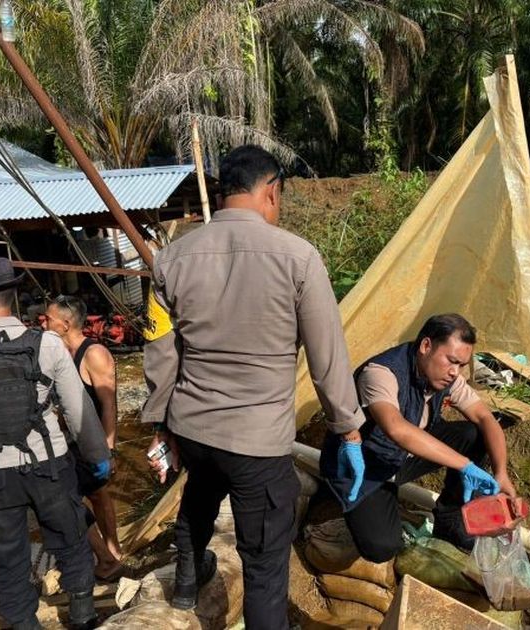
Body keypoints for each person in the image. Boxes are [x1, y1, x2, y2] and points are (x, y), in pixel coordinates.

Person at [141, 145, 365, 629]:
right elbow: (327, 359)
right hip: (257, 443)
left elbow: (160, 350)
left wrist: (162, 425)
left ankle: (185, 582)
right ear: (271, 191)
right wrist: (348, 428)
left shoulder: (170, 260)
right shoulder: (298, 258)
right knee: (264, 568)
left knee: (201, 488)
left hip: (194, 430)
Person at [0, 255, 111, 630]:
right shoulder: (48, 345)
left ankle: (24, 623)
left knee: (5, 553)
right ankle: (82, 612)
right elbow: (78, 412)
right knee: (70, 535)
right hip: (49, 463)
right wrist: (96, 455)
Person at [319, 313, 518, 562]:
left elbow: (485, 419)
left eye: (461, 366)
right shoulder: (382, 373)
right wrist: (464, 465)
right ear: (426, 346)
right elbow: (396, 429)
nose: (455, 372)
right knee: (381, 546)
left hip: (403, 458)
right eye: (451, 361)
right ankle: (335, 501)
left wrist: (501, 472)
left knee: (474, 433)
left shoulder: (445, 376)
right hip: (366, 469)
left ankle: (451, 522)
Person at [42, 295, 123, 581]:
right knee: (90, 497)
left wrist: (107, 447)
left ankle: (109, 553)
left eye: (47, 319)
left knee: (80, 499)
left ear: (64, 324)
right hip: (70, 441)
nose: (43, 323)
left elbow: (109, 403)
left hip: (91, 442)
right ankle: (109, 553)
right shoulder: (58, 353)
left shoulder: (94, 354)